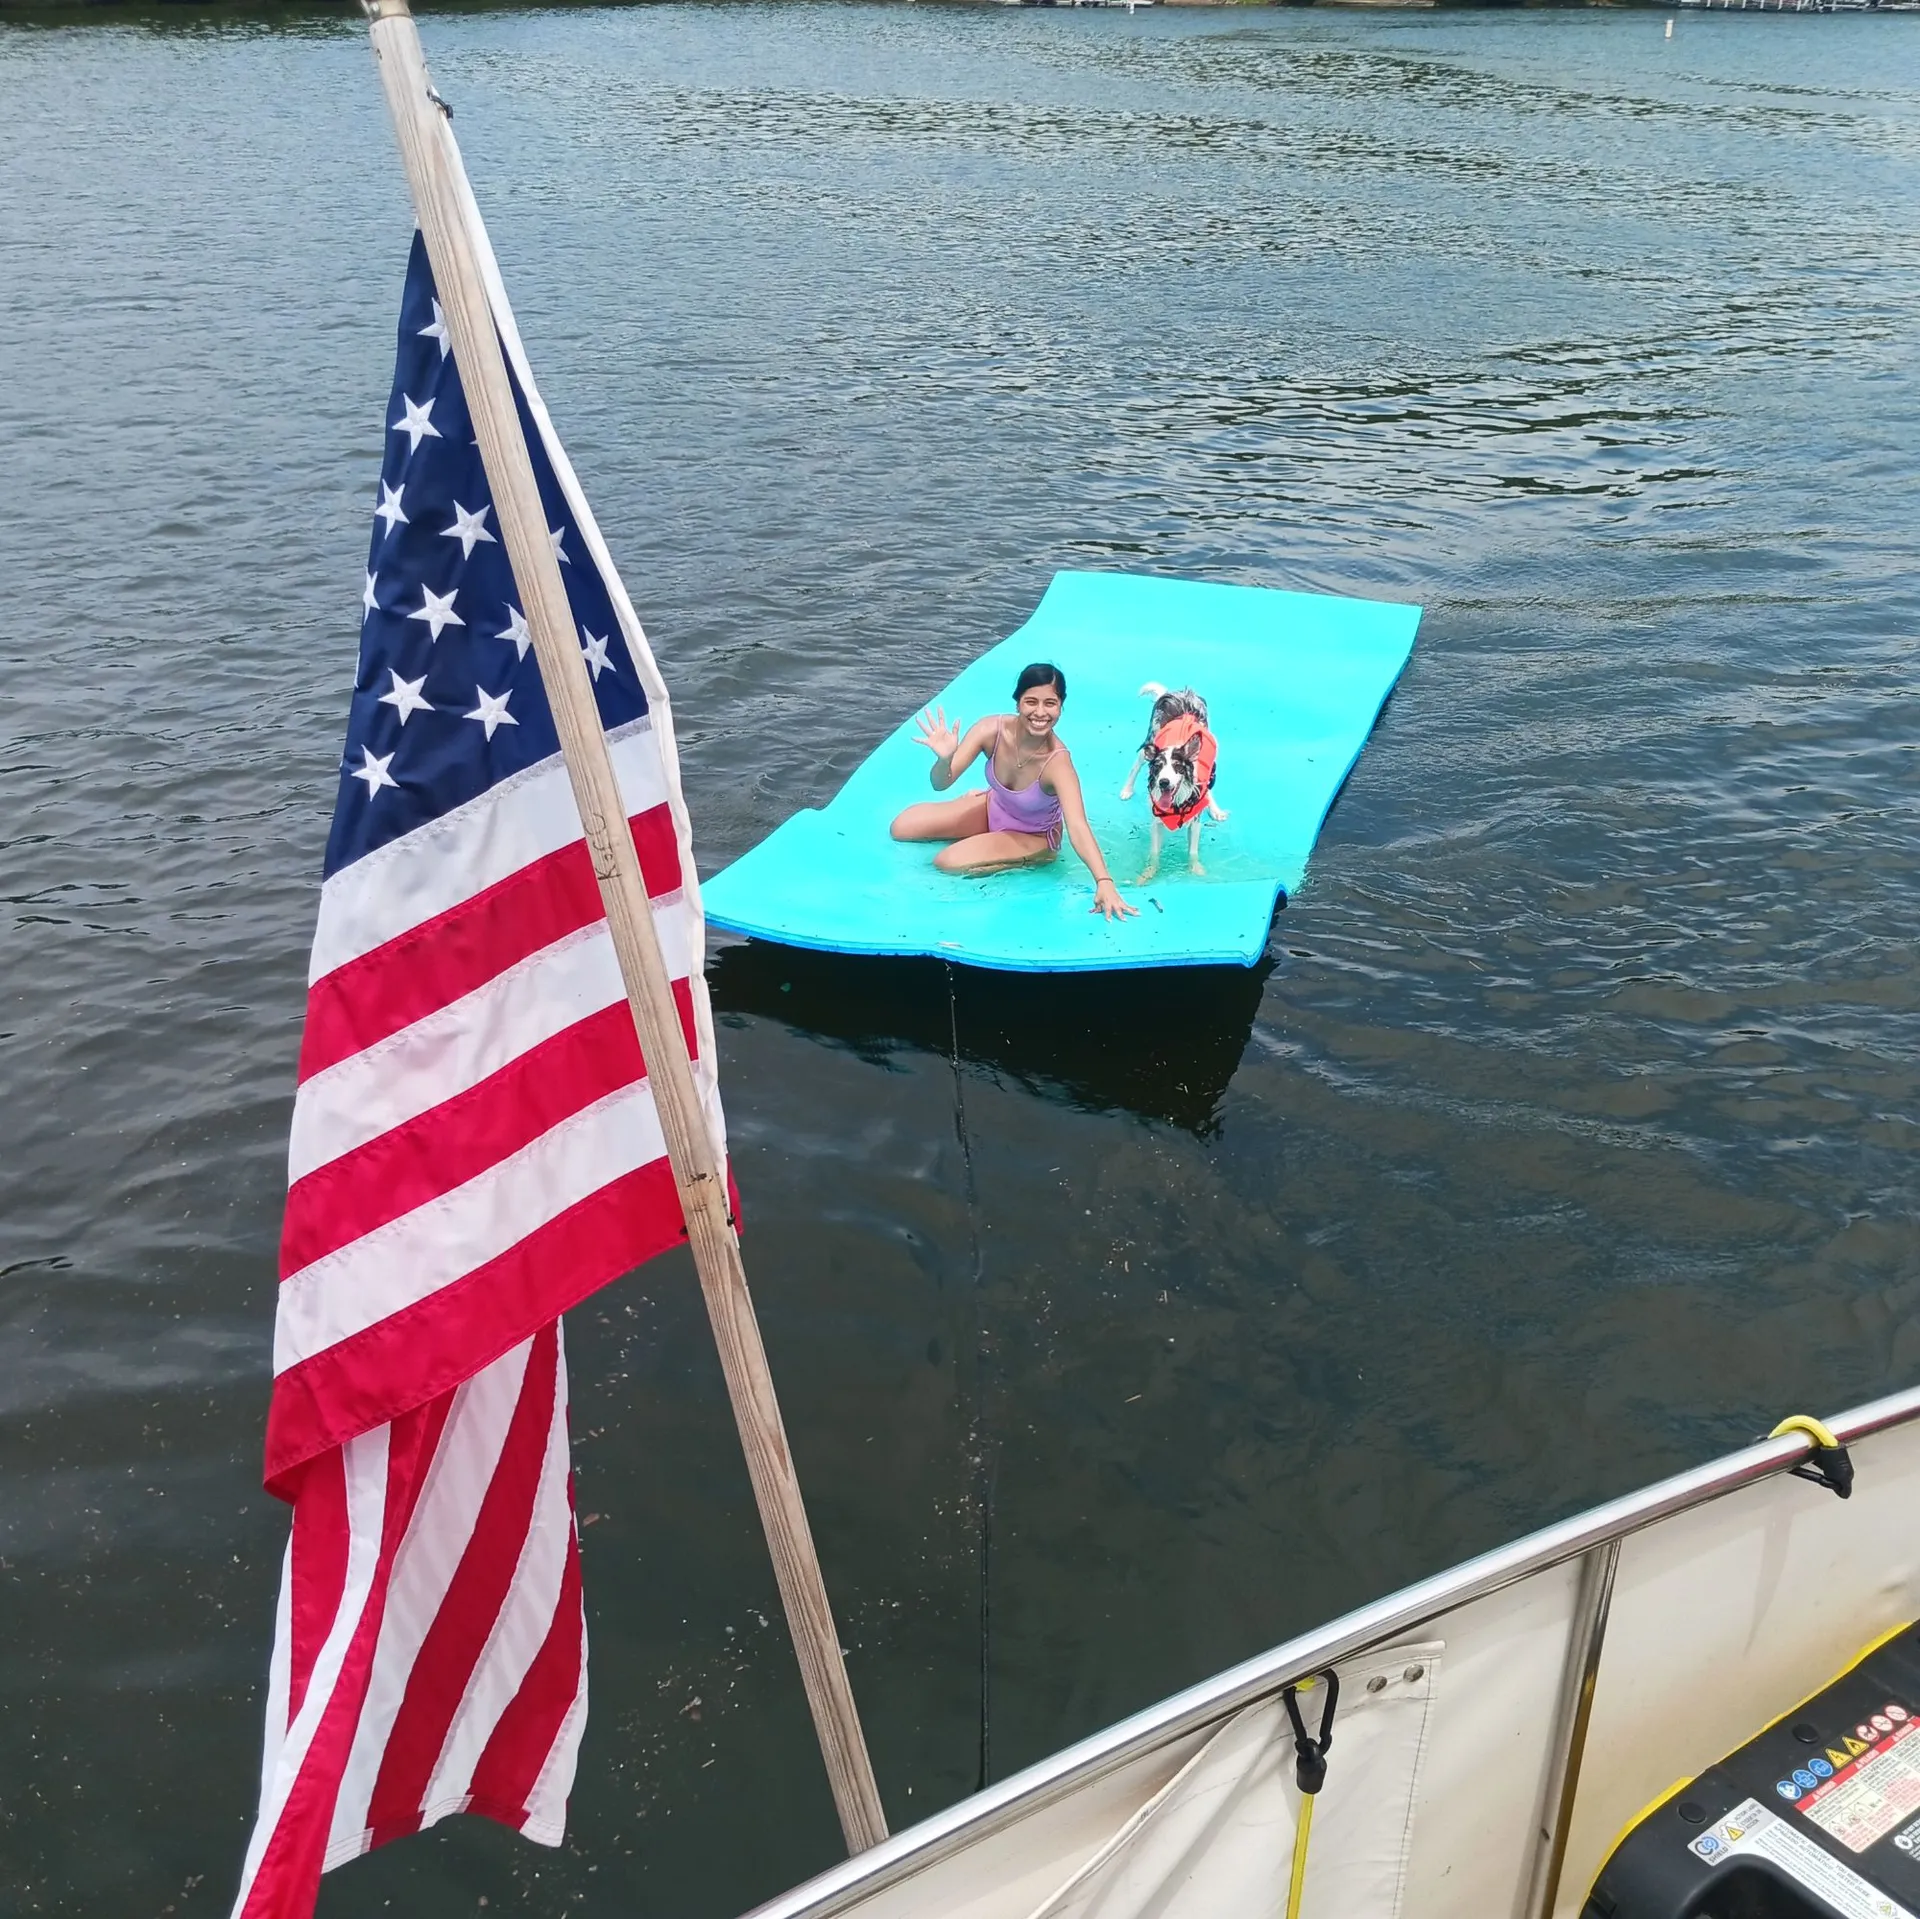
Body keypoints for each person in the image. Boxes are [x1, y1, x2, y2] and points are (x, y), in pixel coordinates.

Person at [890, 662, 1139, 922]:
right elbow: (940, 783)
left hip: (1032, 835)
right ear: (1017, 702)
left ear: (1061, 706)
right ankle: (979, 830)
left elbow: (1077, 825)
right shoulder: (990, 730)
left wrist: (1104, 880)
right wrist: (944, 760)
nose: (1040, 712)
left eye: (1050, 703)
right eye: (1031, 702)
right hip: (993, 806)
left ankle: (1034, 859)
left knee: (947, 862)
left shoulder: (1058, 764)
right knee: (902, 826)